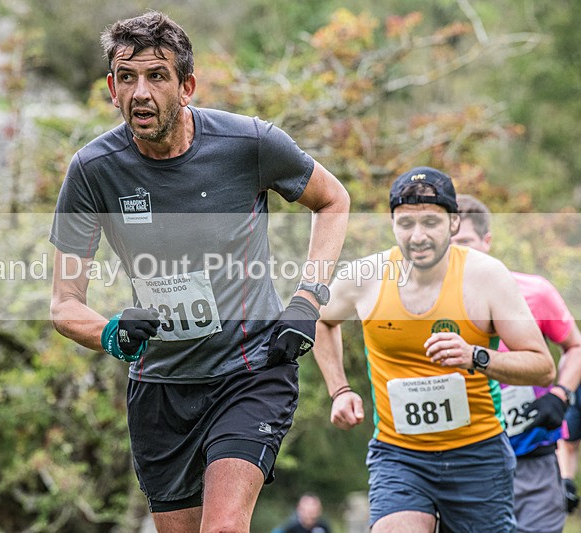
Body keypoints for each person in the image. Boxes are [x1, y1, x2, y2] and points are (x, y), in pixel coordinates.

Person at [49, 11, 350, 533]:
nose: (140, 92)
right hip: (161, 389)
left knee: (224, 528)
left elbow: (333, 201)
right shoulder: (93, 172)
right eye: (127, 77)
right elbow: (64, 305)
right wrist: (112, 334)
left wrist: (307, 298)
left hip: (249, 372)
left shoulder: (248, 143)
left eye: (157, 76)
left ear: (187, 85)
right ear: (111, 88)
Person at [313, 166, 556, 532]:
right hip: (399, 454)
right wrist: (340, 389)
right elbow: (319, 318)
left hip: (478, 452)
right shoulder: (367, 277)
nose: (418, 236)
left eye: (430, 222)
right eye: (405, 224)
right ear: (392, 223)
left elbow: (542, 367)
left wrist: (476, 356)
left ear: (454, 223)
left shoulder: (487, 277)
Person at [453, 194, 581, 529]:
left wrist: (561, 394)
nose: (457, 253)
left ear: (487, 241)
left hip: (532, 458)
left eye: (465, 242)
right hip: (465, 461)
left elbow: (576, 347)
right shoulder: (425, 303)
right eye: (449, 244)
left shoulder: (534, 292)